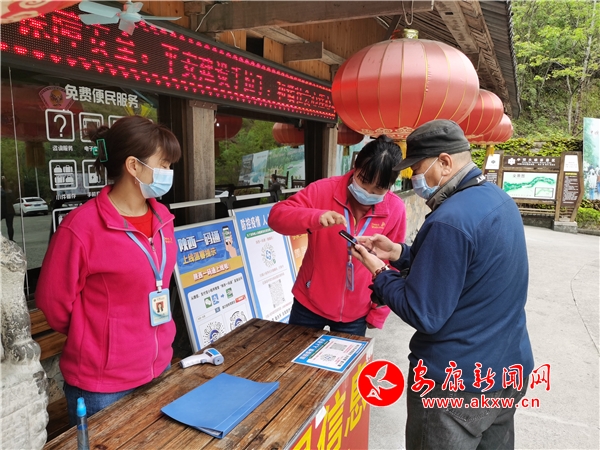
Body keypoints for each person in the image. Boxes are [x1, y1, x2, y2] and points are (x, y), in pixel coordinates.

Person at [352, 120, 534, 449]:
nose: (415, 179)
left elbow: (423, 312)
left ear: (445, 162)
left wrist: (380, 273)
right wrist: (398, 253)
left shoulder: (449, 219)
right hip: (506, 371)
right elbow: (462, 268)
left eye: (418, 169)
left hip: (454, 384)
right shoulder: (498, 200)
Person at [36, 115, 182, 426]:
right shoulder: (82, 227)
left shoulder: (164, 220)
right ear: (133, 166)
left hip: (159, 366)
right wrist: (94, 335)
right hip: (102, 385)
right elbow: (53, 303)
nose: (168, 173)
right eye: (163, 164)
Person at [268, 135, 407, 336]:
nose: (367, 192)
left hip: (356, 312)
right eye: (363, 181)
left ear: (390, 185)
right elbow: (277, 217)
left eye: (378, 188)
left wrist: (378, 311)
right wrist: (315, 217)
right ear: (355, 167)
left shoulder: (395, 209)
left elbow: (393, 265)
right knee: (294, 356)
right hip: (309, 304)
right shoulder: (322, 190)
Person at [1, 176, 15, 241]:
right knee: (10, 226)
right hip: (9, 210)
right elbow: (13, 200)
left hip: (1, 210)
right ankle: (11, 239)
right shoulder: (9, 192)